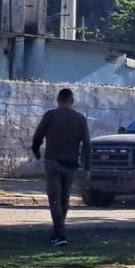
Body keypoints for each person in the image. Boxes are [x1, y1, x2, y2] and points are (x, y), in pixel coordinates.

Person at [31, 88, 91, 246]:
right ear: (72, 101)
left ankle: (60, 233)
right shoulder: (80, 119)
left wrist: (36, 150)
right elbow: (87, 145)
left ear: (58, 100)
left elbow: (38, 135)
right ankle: (59, 231)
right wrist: (87, 167)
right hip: (71, 164)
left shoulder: (51, 116)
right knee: (64, 198)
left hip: (53, 162)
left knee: (55, 199)